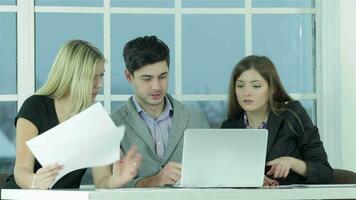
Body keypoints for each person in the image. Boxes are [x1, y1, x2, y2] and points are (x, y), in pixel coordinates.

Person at [4, 40, 141, 190]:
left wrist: (116, 179)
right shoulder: (35, 106)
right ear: (72, 76)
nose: (99, 84)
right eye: (92, 77)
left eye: (101, 76)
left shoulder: (95, 121)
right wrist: (36, 180)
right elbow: (21, 171)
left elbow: (102, 181)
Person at [107, 35, 210, 187]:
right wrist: (154, 181)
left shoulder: (195, 119)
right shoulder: (112, 125)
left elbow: (212, 175)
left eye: (163, 76)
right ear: (129, 76)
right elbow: (105, 187)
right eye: (147, 79)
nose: (156, 86)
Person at [221, 55, 333, 185]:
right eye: (240, 86)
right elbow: (221, 175)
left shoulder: (293, 115)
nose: (247, 92)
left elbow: (325, 173)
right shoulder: (229, 127)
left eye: (256, 86)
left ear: (271, 89)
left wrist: (292, 162)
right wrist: (250, 179)